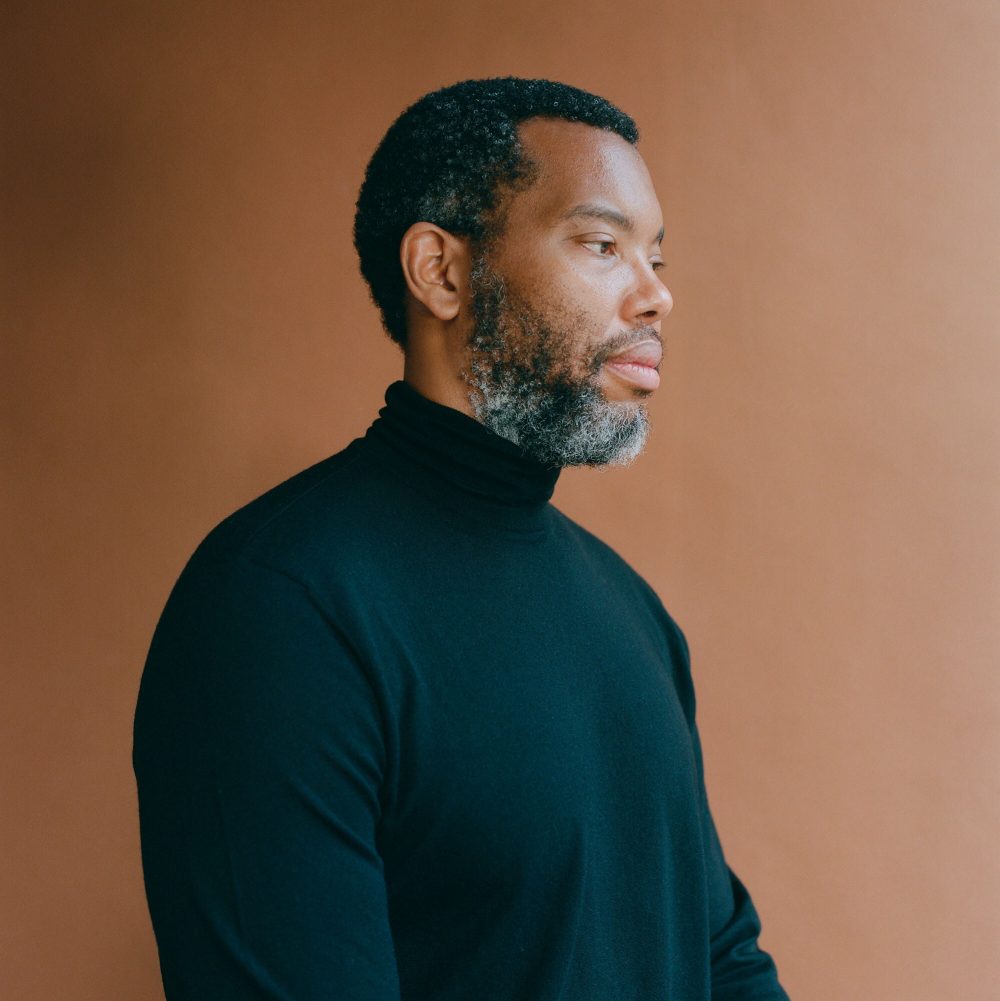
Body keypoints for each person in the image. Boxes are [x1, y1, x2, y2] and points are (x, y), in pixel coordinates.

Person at [133, 77, 789, 1001]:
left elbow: (720, 957)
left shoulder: (633, 613)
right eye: (603, 245)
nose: (656, 296)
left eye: (656, 256)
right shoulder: (278, 604)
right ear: (440, 271)